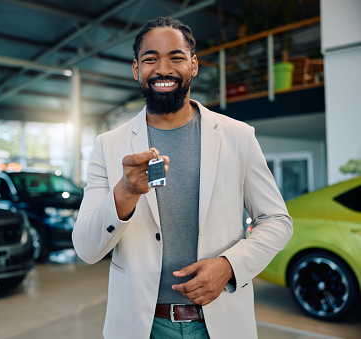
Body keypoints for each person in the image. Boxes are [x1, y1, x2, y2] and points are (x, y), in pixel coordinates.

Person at [72, 16, 292, 339]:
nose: (163, 69)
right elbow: (86, 248)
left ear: (194, 65)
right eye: (151, 59)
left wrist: (230, 266)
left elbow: (277, 220)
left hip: (220, 322)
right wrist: (126, 191)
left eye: (176, 57)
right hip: (141, 326)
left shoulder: (238, 136)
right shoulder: (108, 146)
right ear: (136, 70)